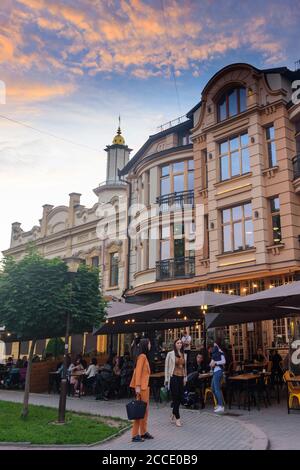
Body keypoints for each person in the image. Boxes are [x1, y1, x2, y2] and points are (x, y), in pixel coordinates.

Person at [130, 338, 153, 442]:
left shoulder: (143, 356)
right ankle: (135, 435)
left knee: (145, 411)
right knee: (139, 411)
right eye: (149, 344)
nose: (150, 345)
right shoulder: (142, 356)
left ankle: (143, 432)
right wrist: (138, 386)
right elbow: (138, 372)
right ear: (145, 345)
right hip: (142, 387)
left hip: (144, 387)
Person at [165, 338, 187, 427]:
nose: (179, 344)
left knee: (180, 397)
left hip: (181, 377)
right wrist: (166, 379)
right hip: (173, 377)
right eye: (178, 343)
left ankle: (174, 412)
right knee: (176, 397)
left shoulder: (184, 355)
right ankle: (178, 418)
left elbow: (185, 367)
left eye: (180, 343)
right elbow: (166, 367)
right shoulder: (170, 354)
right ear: (175, 344)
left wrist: (185, 377)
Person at [210, 342, 226, 413]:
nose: (214, 346)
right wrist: (211, 364)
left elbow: (224, 361)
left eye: (215, 344)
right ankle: (218, 404)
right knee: (213, 388)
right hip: (215, 371)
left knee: (217, 389)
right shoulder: (215, 353)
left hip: (218, 371)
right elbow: (212, 362)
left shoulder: (220, 352)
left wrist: (215, 363)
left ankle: (221, 406)